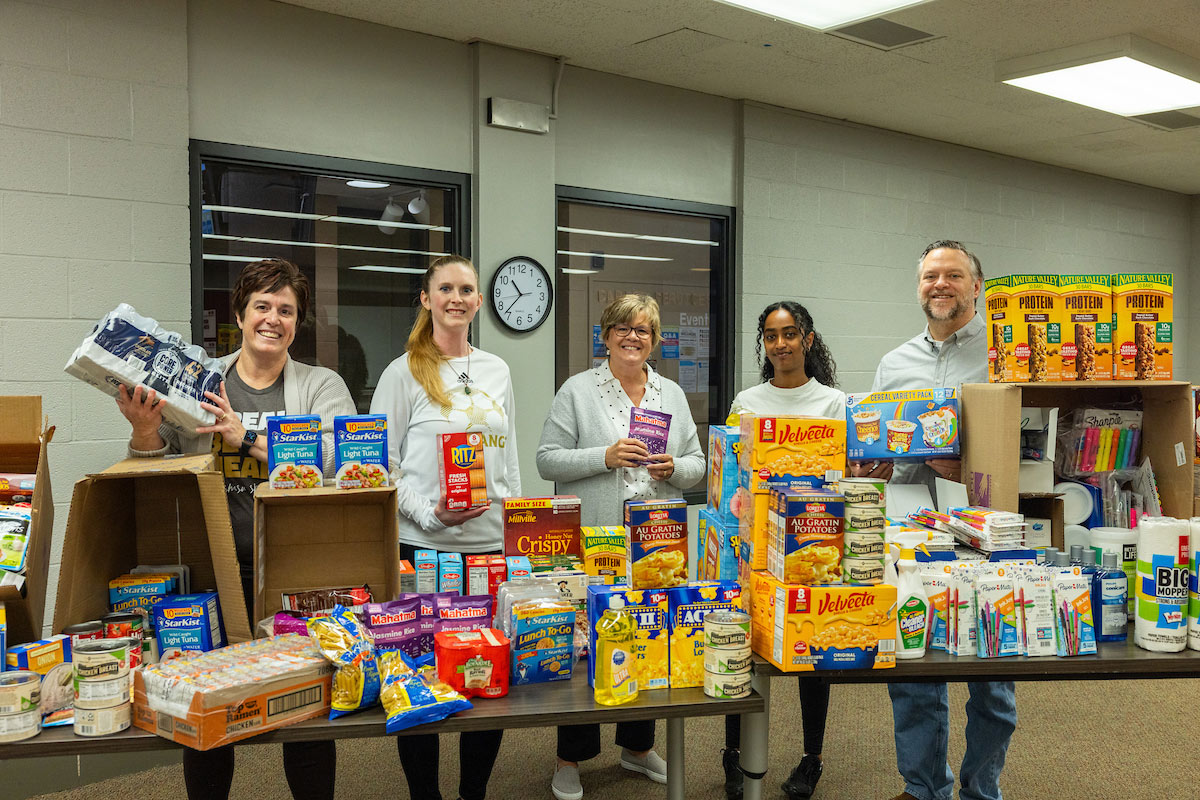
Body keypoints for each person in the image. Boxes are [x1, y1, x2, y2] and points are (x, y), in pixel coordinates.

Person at [117, 258, 354, 800]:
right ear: (242, 316)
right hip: (215, 572)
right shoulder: (198, 382)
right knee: (208, 713)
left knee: (305, 712)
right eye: (262, 307)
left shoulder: (322, 387)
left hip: (294, 571)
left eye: (287, 310)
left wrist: (243, 438)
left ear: (299, 322)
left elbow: (339, 466)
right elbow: (158, 475)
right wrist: (147, 431)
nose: (274, 319)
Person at [856, 240, 1017, 800]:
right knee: (915, 668)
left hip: (988, 534)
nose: (940, 284)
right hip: (912, 533)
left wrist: (969, 462)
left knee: (991, 671)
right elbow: (881, 443)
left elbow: (1030, 452)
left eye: (953, 275)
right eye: (930, 276)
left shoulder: (1005, 356)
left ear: (977, 286)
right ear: (919, 286)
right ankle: (924, 788)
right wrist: (872, 461)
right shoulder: (894, 362)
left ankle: (980, 789)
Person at [536, 293, 704, 800]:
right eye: (623, 329)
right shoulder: (578, 390)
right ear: (606, 336)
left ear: (655, 341)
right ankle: (571, 758)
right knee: (586, 645)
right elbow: (548, 460)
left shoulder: (671, 394)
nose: (634, 337)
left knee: (646, 638)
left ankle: (636, 746)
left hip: (657, 546)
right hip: (595, 542)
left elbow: (699, 463)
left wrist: (675, 467)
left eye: (644, 331)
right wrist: (604, 456)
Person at [370, 254, 519, 800]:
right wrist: (431, 514)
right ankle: (425, 796)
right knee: (423, 679)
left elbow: (511, 457)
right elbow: (382, 467)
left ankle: (474, 792)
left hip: (492, 551)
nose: (457, 298)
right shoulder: (403, 370)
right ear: (427, 299)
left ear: (478, 302)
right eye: (446, 289)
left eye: (467, 290)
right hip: (426, 547)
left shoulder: (498, 370)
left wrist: (518, 529)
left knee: (488, 669)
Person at [722, 301, 844, 800]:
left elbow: (839, 476)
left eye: (790, 334)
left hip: (811, 547)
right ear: (764, 343)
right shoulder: (746, 401)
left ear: (808, 340)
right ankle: (733, 755)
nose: (781, 344)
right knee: (740, 647)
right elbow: (728, 473)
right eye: (771, 335)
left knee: (809, 649)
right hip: (749, 547)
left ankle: (811, 758)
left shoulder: (833, 402)